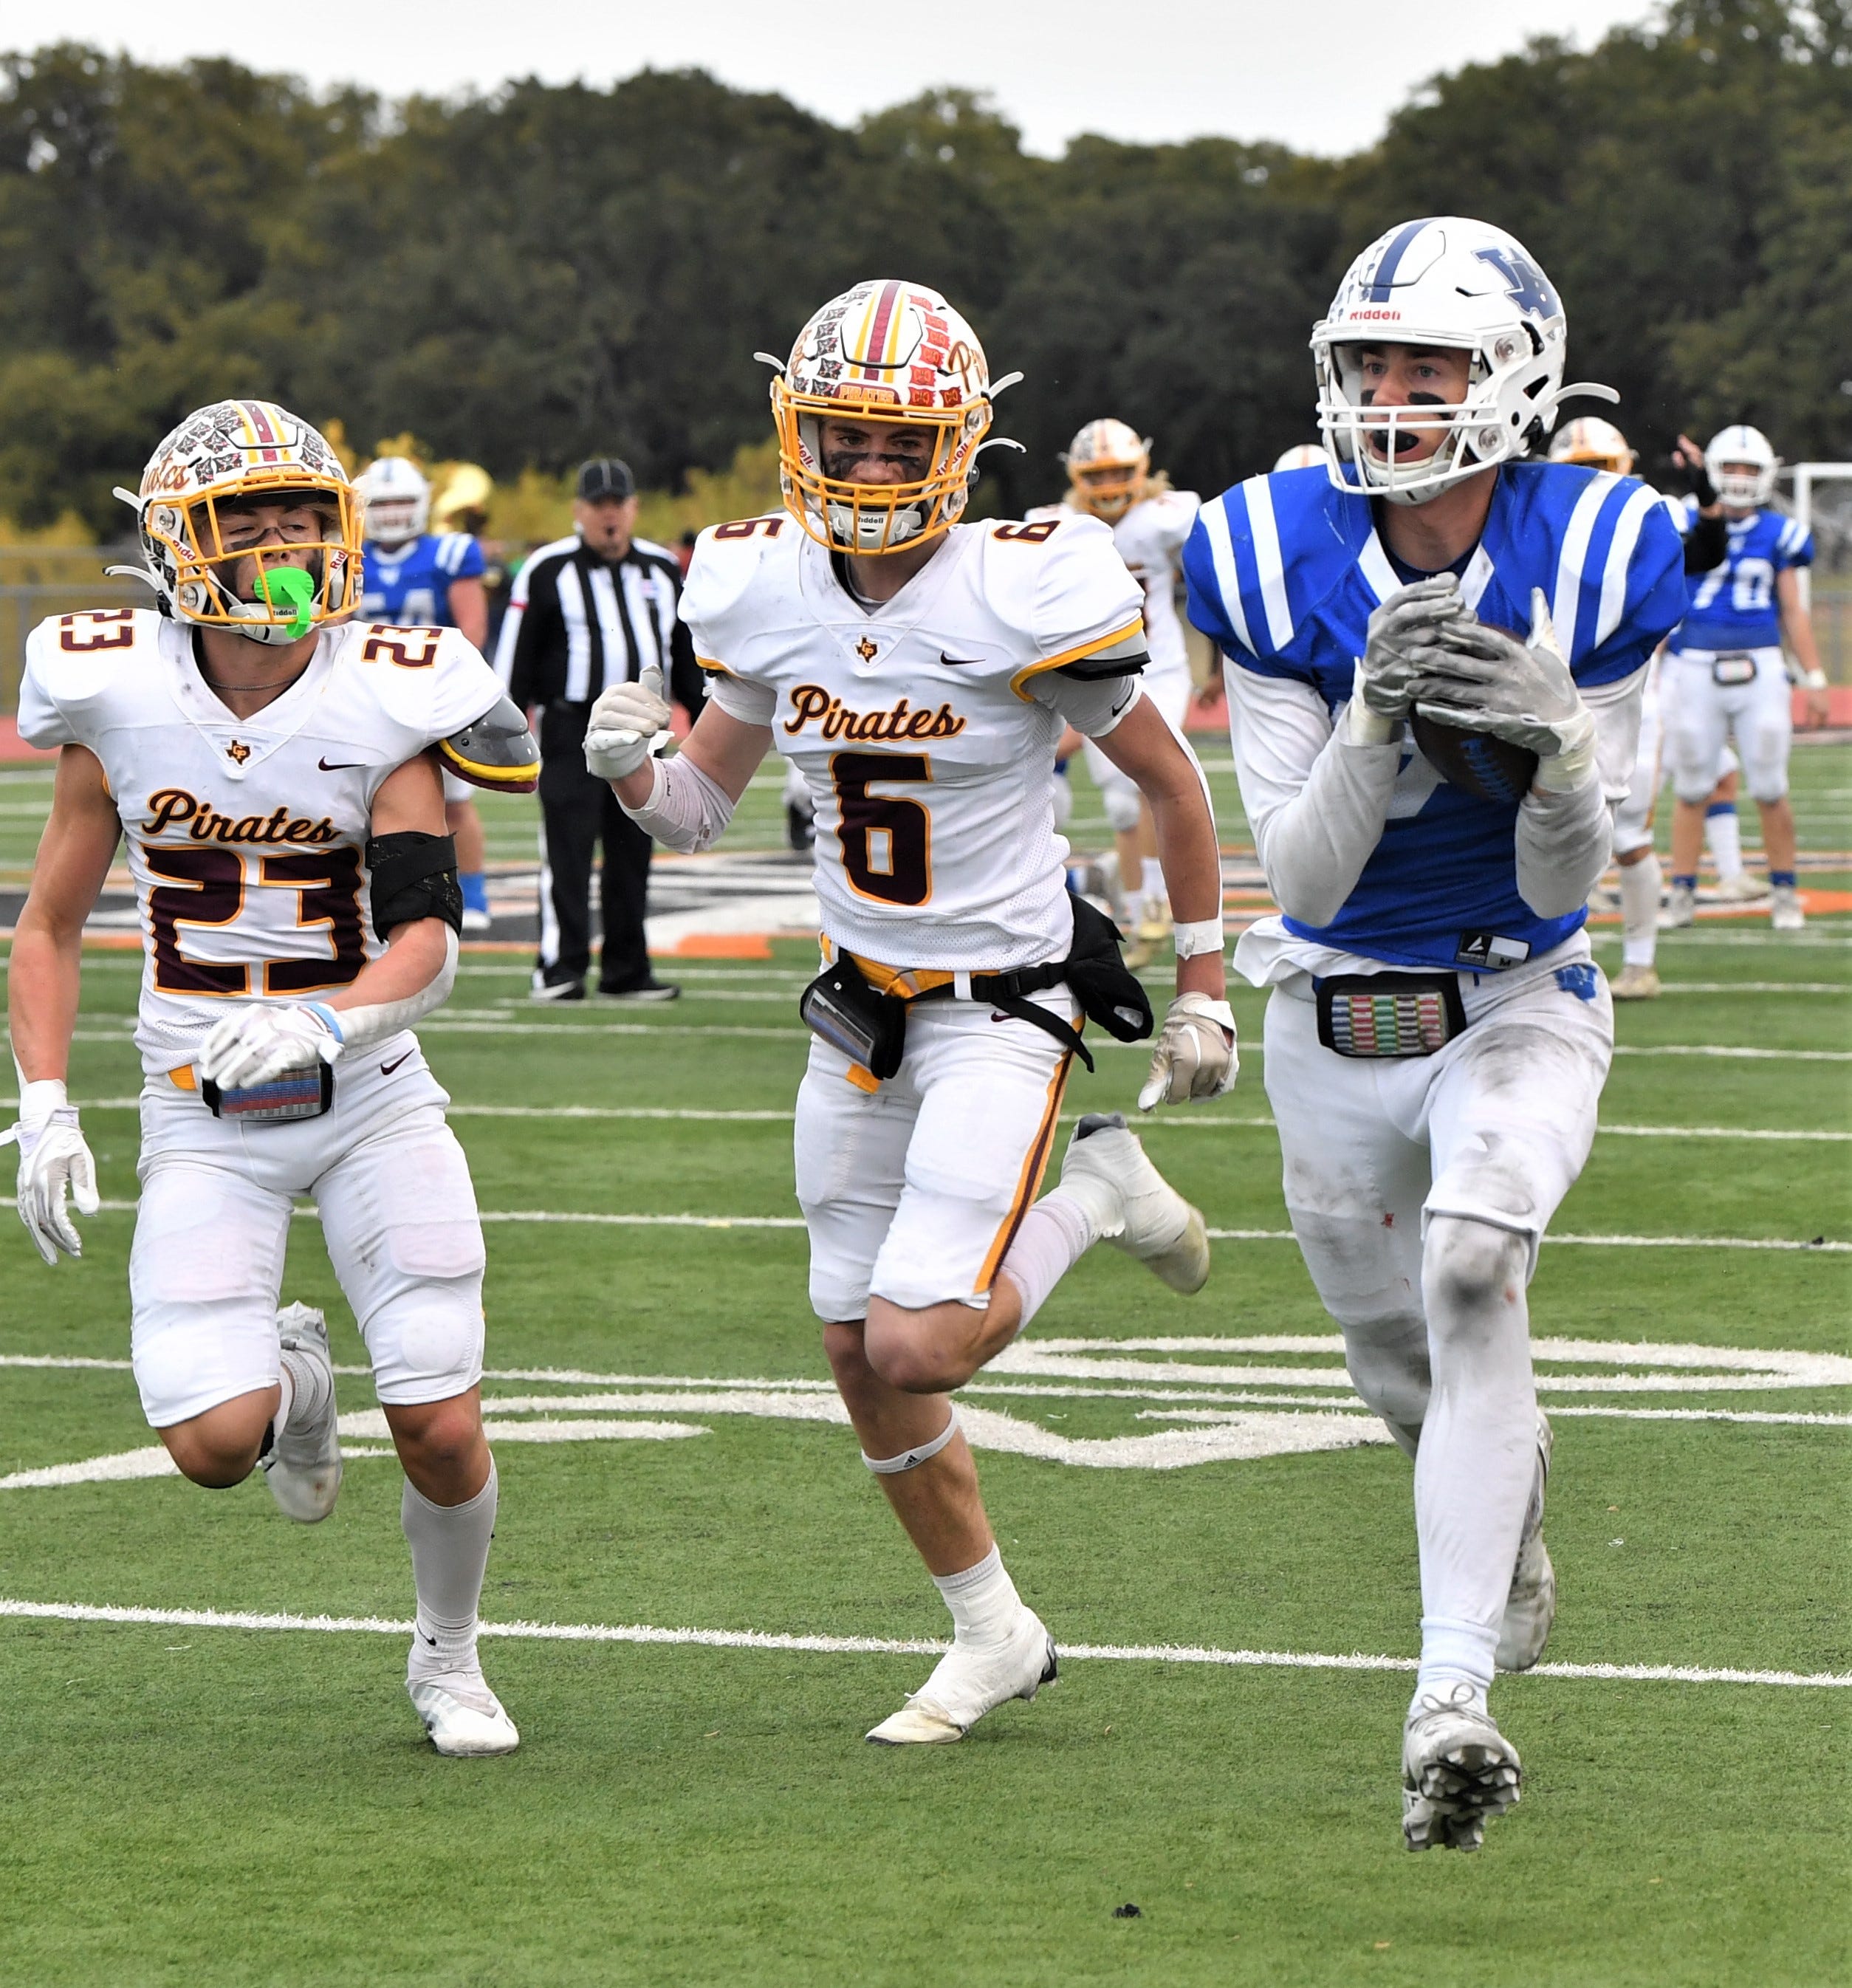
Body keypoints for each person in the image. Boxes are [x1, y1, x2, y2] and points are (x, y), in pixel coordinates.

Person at [587, 279, 1235, 1746]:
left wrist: (1203, 982)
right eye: (845, 439)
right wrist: (632, 768)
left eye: (899, 444)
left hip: (1007, 999)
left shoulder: (1023, 582)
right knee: (846, 1342)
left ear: (958, 444)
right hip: (859, 1009)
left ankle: (1093, 1196)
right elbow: (697, 809)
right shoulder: (762, 590)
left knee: (918, 1344)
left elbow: (1172, 782)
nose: (872, 471)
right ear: (796, 435)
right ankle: (991, 1628)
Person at [1184, 219, 1687, 1850]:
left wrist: (1558, 749)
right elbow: (1309, 872)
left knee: (1476, 1264)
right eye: (1371, 363)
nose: (1393, 397)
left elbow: (1568, 884)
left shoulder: (1605, 545)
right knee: (1402, 1369)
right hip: (1333, 1012)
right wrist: (1376, 716)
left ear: (1515, 377)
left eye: (1431, 365)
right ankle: (1508, 1516)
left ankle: (1448, 1695)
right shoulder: (1269, 550)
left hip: (1518, 998)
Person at [6, 400, 539, 1755]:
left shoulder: (389, 682)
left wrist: (325, 1024)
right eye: (255, 525)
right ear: (187, 547)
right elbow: (51, 925)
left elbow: (428, 939)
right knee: (211, 1441)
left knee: (436, 1412)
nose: (292, 544)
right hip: (198, 1105)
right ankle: (299, 1380)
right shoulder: (112, 684)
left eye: (308, 517)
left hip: (368, 1092)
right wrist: (45, 1103)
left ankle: (451, 1657)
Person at [496, 458, 702, 1001]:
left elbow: (686, 658)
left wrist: (705, 727)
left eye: (618, 505)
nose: (609, 516)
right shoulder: (548, 568)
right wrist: (505, 730)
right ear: (578, 512)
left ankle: (627, 971)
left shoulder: (661, 569)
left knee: (633, 853)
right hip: (572, 731)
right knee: (567, 852)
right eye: (598, 506)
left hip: (644, 737)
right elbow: (516, 657)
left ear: (633, 509)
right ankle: (559, 969)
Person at [1547, 419, 1732, 998]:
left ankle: (1640, 961)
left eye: (1602, 467)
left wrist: (1703, 491)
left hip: (1626, 697)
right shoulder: (1527, 518)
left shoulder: (1646, 519)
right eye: (1581, 469)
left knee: (1628, 838)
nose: (1593, 482)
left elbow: (1706, 551)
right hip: (1542, 695)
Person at [1029, 422, 1201, 967]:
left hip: (1164, 668)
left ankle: (1157, 901)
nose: (1108, 486)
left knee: (1147, 782)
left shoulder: (1167, 516)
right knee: (1124, 807)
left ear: (1143, 469)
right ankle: (1142, 909)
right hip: (1098, 673)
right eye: (1097, 475)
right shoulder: (1059, 526)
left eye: (1119, 473)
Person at [1660, 424, 1831, 933]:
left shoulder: (1780, 533)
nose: (1737, 478)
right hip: (1693, 665)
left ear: (1767, 475)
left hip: (1760, 664)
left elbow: (1794, 611)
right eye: (1729, 468)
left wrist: (1815, 677)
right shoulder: (1684, 520)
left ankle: (1784, 892)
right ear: (1711, 472)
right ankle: (1682, 894)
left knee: (1771, 784)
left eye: (1748, 469)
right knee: (1692, 786)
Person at [355, 456, 498, 933]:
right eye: (383, 502)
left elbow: (472, 632)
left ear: (422, 504)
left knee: (454, 800)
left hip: (437, 697)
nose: (393, 512)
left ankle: (473, 893)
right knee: (358, 806)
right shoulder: (348, 559)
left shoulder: (450, 553)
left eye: (402, 502)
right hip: (368, 700)